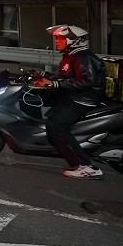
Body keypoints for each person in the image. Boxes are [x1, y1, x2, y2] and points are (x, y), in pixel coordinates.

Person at [33, 25, 106, 178]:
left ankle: (88, 166)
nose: (57, 42)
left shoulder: (84, 57)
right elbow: (64, 77)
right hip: (72, 96)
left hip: (83, 99)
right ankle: (68, 156)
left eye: (60, 38)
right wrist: (42, 75)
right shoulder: (71, 55)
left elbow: (86, 81)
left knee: (57, 126)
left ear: (74, 41)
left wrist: (53, 84)